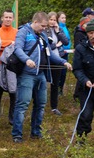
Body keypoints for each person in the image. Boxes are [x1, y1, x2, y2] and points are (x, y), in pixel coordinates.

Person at [11, 12, 72, 143]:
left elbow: (49, 53)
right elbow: (18, 49)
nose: (45, 28)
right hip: (27, 75)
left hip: (41, 75)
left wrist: (63, 62)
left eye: (45, 26)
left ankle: (36, 132)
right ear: (36, 22)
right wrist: (27, 60)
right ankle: (17, 134)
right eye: (43, 26)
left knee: (41, 104)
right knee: (22, 105)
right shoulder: (23, 32)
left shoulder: (43, 35)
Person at [0, 9, 19, 128]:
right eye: (6, 17)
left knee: (14, 94)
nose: (8, 19)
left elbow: (18, 46)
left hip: (13, 68)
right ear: (2, 18)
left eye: (10, 17)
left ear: (13, 19)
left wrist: (3, 44)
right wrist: (10, 43)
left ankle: (13, 119)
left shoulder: (17, 32)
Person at [45, 11, 70, 116]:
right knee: (42, 83)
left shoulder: (58, 30)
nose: (52, 22)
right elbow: (46, 46)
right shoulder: (44, 31)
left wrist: (58, 31)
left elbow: (66, 41)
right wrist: (56, 45)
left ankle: (54, 107)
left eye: (54, 20)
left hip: (58, 59)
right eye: (50, 19)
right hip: (47, 59)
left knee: (55, 84)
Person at [57, 12, 72, 95]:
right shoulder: (57, 27)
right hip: (60, 53)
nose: (64, 19)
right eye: (62, 18)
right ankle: (57, 89)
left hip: (66, 53)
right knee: (59, 72)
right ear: (58, 18)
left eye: (65, 18)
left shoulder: (65, 27)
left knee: (64, 72)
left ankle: (61, 89)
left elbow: (67, 39)